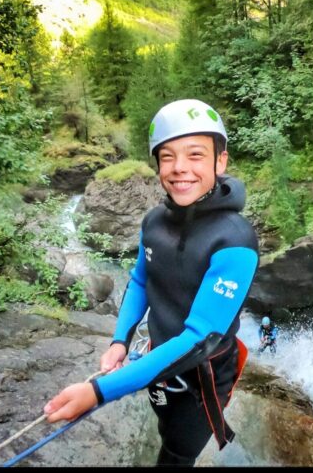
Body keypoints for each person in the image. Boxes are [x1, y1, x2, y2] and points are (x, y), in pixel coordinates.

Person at [43, 99, 259, 467]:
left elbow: (198, 340)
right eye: (168, 157)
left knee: (176, 452)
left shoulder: (235, 242)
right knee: (164, 431)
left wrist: (98, 392)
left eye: (195, 155)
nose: (180, 169)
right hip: (160, 362)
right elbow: (141, 280)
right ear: (157, 163)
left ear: (219, 162)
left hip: (202, 377)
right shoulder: (154, 222)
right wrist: (119, 341)